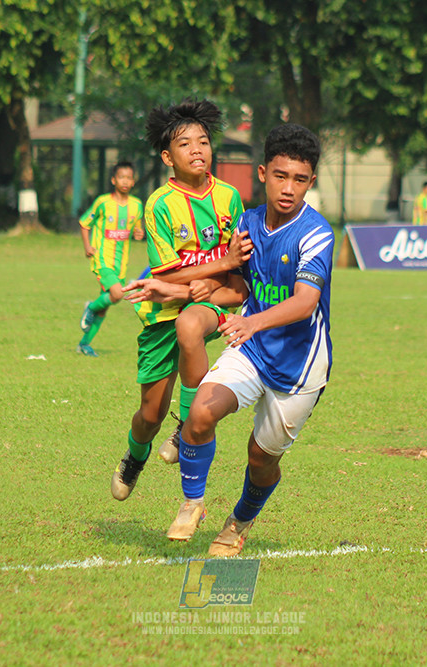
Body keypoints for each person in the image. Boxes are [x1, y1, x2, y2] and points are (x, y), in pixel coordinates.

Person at [125, 123, 333, 556]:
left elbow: (304, 303)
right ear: (262, 173)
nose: (289, 188)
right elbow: (237, 289)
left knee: (261, 459)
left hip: (298, 366)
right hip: (252, 349)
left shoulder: (317, 233)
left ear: (311, 182)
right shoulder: (247, 222)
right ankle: (192, 502)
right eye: (280, 176)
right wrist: (179, 291)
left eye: (299, 179)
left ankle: (239, 519)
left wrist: (251, 323)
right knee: (199, 411)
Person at [109, 99, 249, 501]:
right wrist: (215, 268)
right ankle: (136, 455)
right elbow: (166, 275)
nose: (197, 150)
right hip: (160, 312)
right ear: (168, 157)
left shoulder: (230, 198)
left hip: (208, 303)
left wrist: (215, 282)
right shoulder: (158, 204)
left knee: (192, 326)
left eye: (203, 141)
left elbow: (238, 266)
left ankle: (187, 424)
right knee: (148, 414)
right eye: (186, 144)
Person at [77, 161, 145, 357]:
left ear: (133, 182)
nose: (125, 181)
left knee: (104, 308)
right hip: (102, 259)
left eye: (129, 177)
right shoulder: (103, 202)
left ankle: (84, 344)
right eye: (121, 177)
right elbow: (84, 223)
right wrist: (87, 246)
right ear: (114, 180)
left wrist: (139, 234)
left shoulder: (137, 205)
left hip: (121, 264)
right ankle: (89, 306)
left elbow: (137, 229)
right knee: (117, 294)